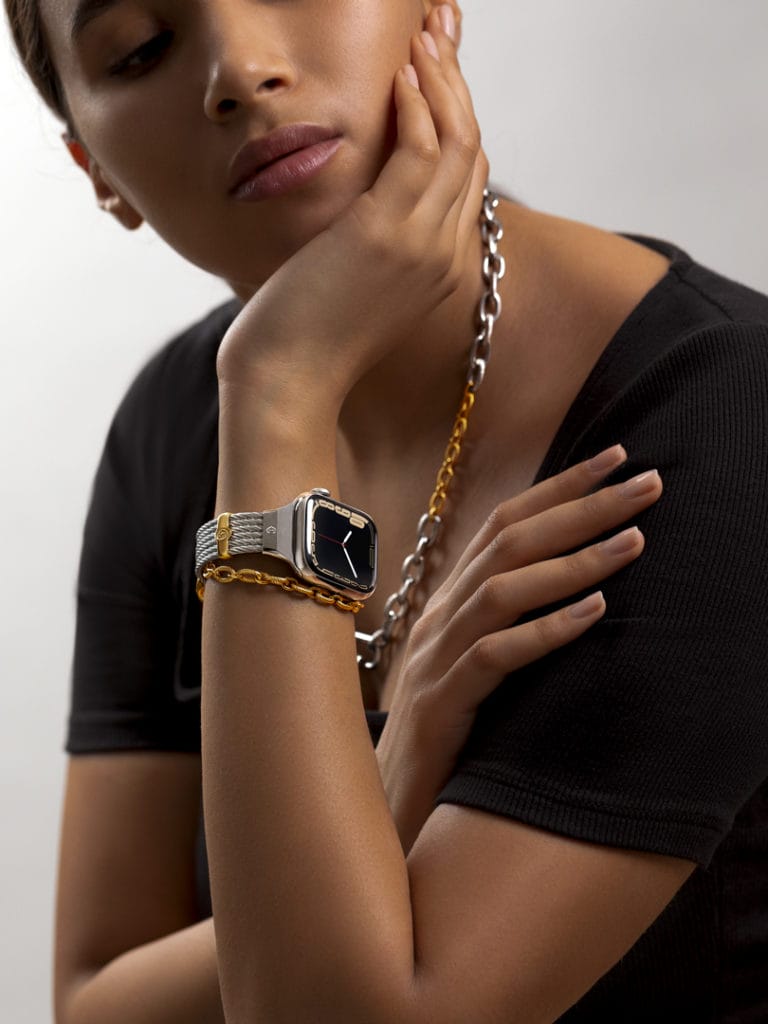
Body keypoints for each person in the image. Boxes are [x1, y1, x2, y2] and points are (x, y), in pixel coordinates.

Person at [8, 0, 768, 1020]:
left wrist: (280, 387)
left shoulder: (723, 416)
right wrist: (382, 785)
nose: (241, 70)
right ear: (96, 172)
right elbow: (92, 1000)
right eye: (141, 48)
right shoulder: (179, 425)